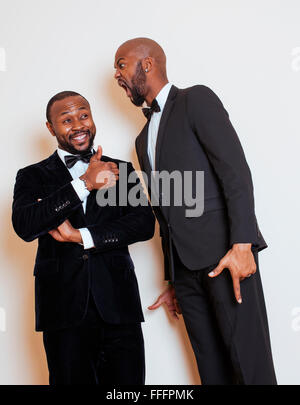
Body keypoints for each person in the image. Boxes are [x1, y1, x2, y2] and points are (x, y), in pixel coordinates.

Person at [114, 38, 277, 385]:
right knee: (211, 373)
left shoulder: (195, 99)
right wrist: (173, 278)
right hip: (185, 274)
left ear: (148, 64)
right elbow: (164, 211)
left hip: (227, 258)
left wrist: (243, 244)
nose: (117, 74)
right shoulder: (142, 140)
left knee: (250, 368)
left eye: (122, 64)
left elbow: (234, 171)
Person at [12, 90, 155, 385]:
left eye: (84, 115)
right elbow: (26, 226)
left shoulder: (121, 170)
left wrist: (81, 235)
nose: (78, 124)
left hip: (119, 306)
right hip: (63, 311)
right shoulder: (32, 176)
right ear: (51, 128)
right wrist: (85, 184)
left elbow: (143, 225)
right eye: (66, 120)